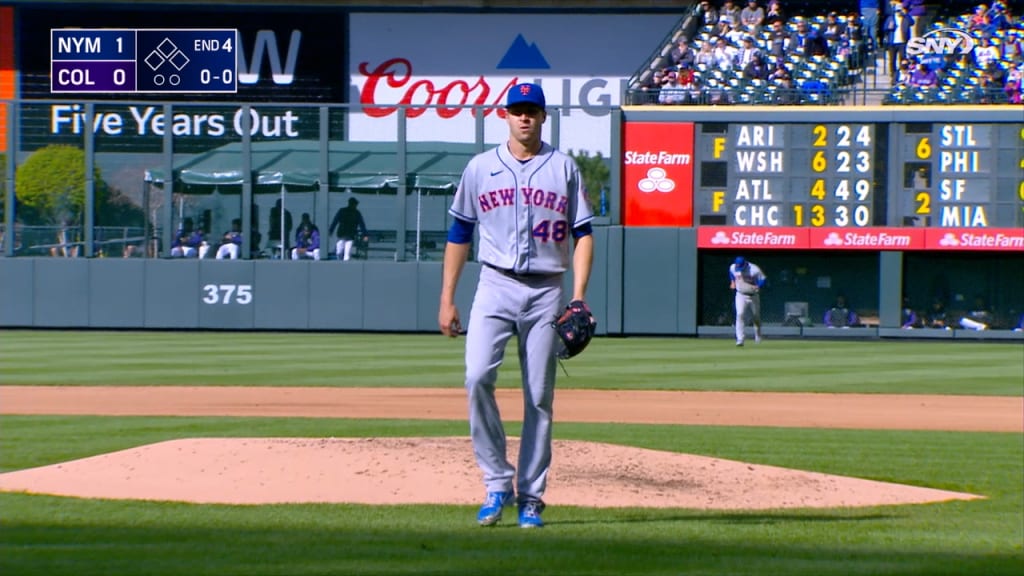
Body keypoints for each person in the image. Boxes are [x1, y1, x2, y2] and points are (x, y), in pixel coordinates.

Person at [437, 82, 594, 529]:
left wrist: (578, 296)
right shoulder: (480, 167)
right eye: (517, 109)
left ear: (544, 117)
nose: (524, 116)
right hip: (494, 283)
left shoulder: (563, 168)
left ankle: (531, 497)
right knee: (476, 377)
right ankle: (495, 482)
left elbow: (583, 234)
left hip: (547, 288)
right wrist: (447, 298)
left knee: (539, 397)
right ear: (504, 114)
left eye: (532, 110)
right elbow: (459, 234)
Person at [729, 256, 765, 346]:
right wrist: (732, 281)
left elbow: (763, 278)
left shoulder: (754, 269)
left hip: (753, 295)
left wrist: (758, 286)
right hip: (741, 294)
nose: (739, 268)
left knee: (756, 316)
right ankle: (740, 339)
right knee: (740, 314)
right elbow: (731, 273)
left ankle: (758, 335)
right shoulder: (733, 267)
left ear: (745, 264)